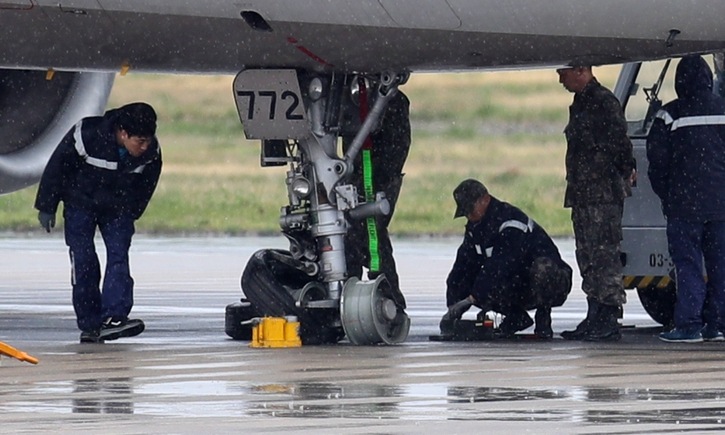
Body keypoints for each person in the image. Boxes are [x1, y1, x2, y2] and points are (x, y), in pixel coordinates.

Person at [34, 102, 162, 344]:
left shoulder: (150, 153)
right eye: (140, 141)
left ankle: (114, 317)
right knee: (83, 260)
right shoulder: (87, 135)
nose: (145, 147)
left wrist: (133, 211)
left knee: (118, 256)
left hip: (118, 209)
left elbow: (147, 184)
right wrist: (46, 205)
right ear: (123, 134)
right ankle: (90, 323)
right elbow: (57, 166)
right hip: (80, 205)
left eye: (148, 140)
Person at [646, 55, 725, 343]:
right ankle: (718, 325)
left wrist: (669, 198)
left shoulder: (670, 115)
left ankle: (690, 325)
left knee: (688, 265)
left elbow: (657, 165)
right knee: (721, 266)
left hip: (684, 207)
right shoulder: (723, 110)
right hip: (721, 207)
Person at [556, 64, 635, 342]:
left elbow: (619, 142)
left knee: (604, 254)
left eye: (563, 73)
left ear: (580, 71)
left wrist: (627, 170)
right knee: (587, 255)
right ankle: (595, 314)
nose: (560, 79)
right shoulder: (581, 103)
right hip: (583, 193)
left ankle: (609, 315)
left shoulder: (603, 101)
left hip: (602, 194)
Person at [441, 179, 573, 339]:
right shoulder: (475, 229)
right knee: (478, 280)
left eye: (471, 210)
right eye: (465, 212)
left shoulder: (510, 223)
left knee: (541, 269)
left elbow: (501, 265)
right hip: (516, 282)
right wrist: (454, 305)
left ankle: (543, 317)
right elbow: (462, 267)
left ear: (485, 199)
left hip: (547, 282)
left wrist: (472, 298)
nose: (469, 216)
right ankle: (516, 317)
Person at [343, 86, 411, 299]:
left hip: (373, 174)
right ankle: (379, 292)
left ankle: (382, 292)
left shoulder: (387, 102)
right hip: (367, 171)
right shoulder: (356, 97)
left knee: (367, 232)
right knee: (359, 233)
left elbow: (394, 150)